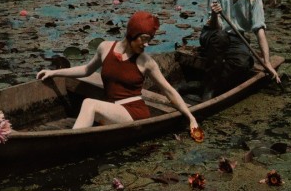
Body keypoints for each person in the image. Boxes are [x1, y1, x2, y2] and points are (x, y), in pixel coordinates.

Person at [37, 10, 199, 131]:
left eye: (149, 40)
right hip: (111, 108)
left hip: (133, 112)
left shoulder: (146, 62)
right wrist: (54, 72)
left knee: (89, 103)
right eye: (143, 39)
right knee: (90, 105)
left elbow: (168, 91)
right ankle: (76, 138)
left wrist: (190, 117)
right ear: (131, 34)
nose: (146, 44)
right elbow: (86, 70)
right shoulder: (105, 47)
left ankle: (70, 142)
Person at [200, 0, 281, 97]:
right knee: (221, 37)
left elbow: (259, 29)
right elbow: (215, 26)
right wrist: (214, 14)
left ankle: (200, 85)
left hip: (236, 37)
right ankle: (208, 91)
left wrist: (266, 62)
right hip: (212, 33)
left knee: (243, 63)